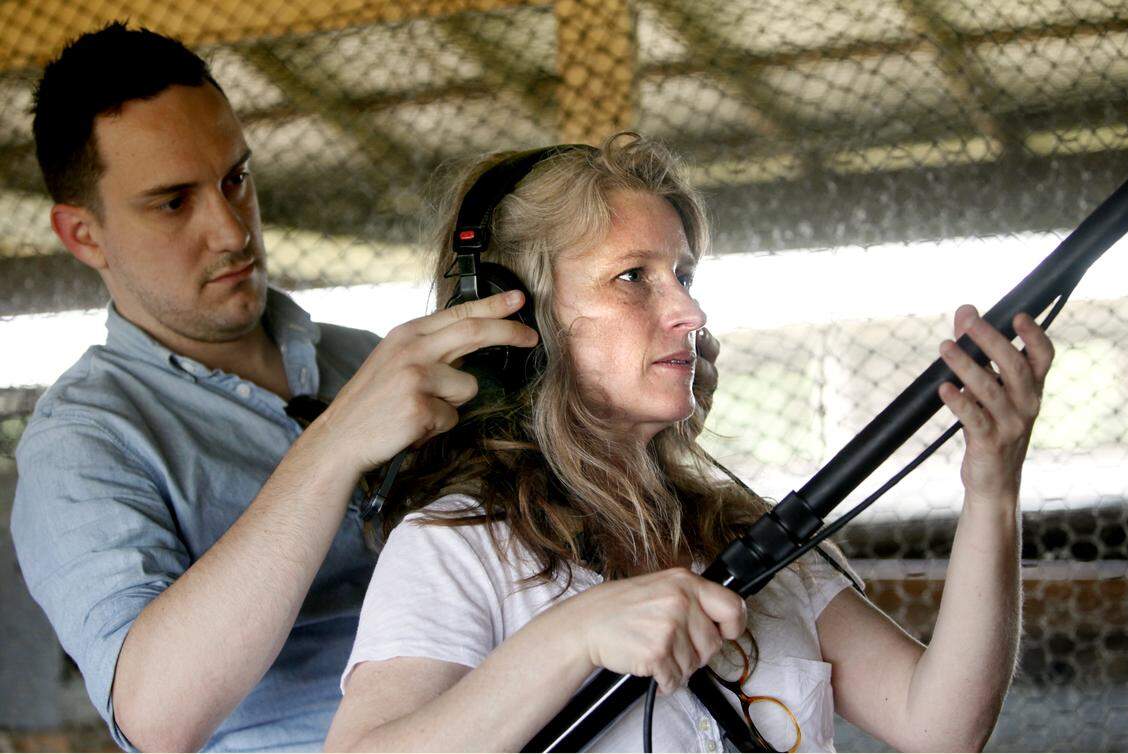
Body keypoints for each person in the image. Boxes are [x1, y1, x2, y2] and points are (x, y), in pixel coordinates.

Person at [325, 134, 1056, 752]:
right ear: (519, 323)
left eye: (684, 275)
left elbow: (941, 724)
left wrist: (993, 486)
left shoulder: (743, 531)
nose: (689, 310)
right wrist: (572, 636)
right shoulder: (456, 546)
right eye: (633, 278)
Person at [7, 22, 623, 752]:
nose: (231, 229)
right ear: (83, 234)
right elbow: (155, 718)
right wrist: (331, 448)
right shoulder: (82, 443)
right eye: (173, 202)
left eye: (236, 179)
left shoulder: (363, 361)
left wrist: (624, 410)